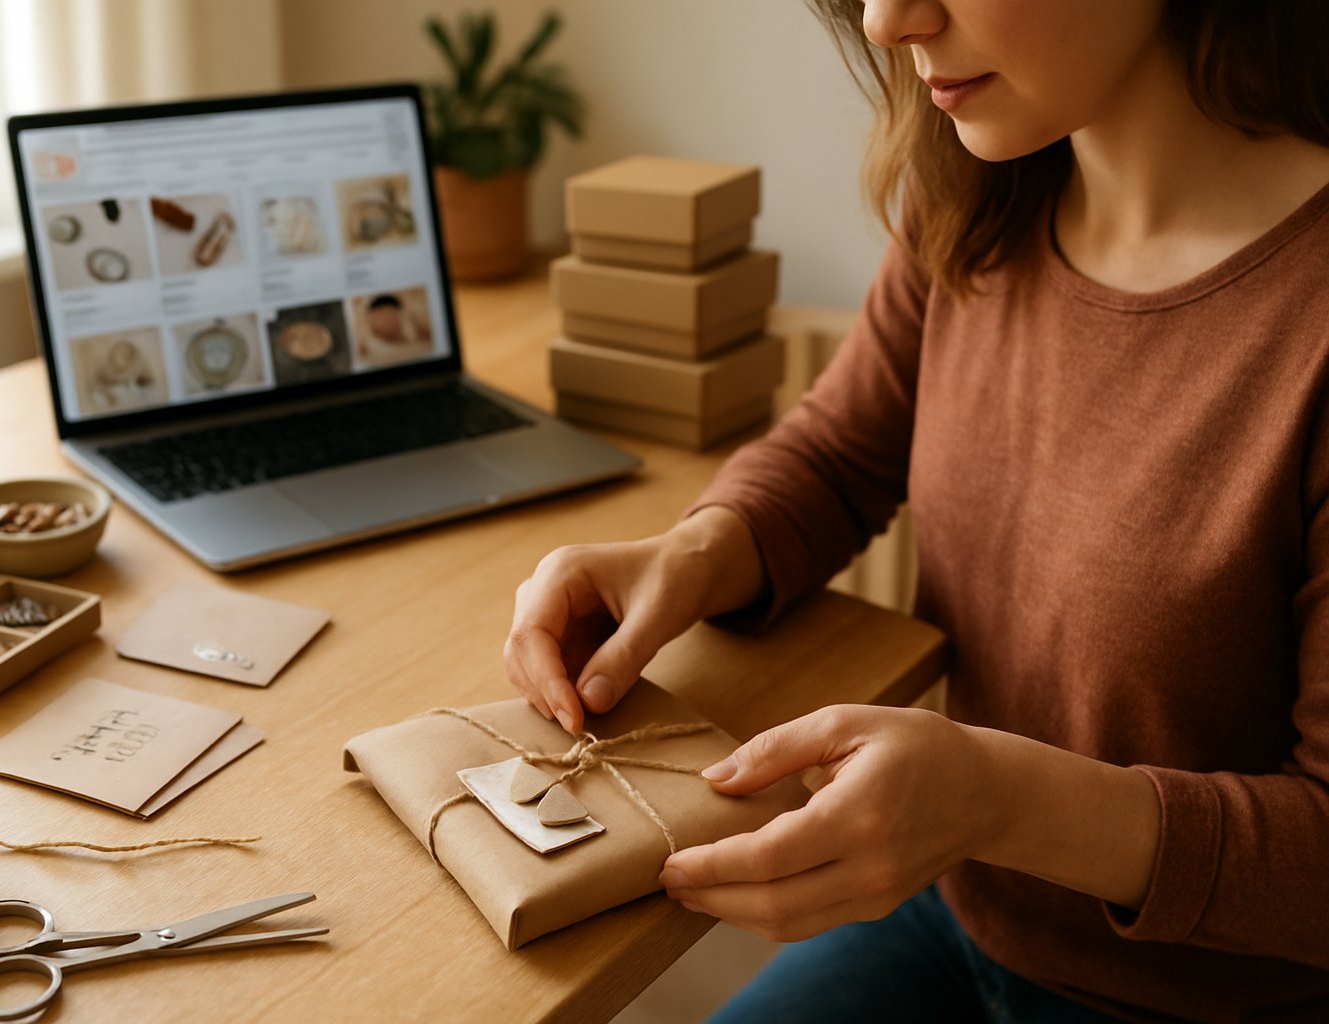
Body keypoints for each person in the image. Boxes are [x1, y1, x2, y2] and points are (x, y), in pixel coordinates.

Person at [503, 1, 1329, 1020]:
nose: (888, 20)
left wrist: (991, 798)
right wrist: (698, 547)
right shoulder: (981, 195)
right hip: (959, 910)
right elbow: (843, 449)